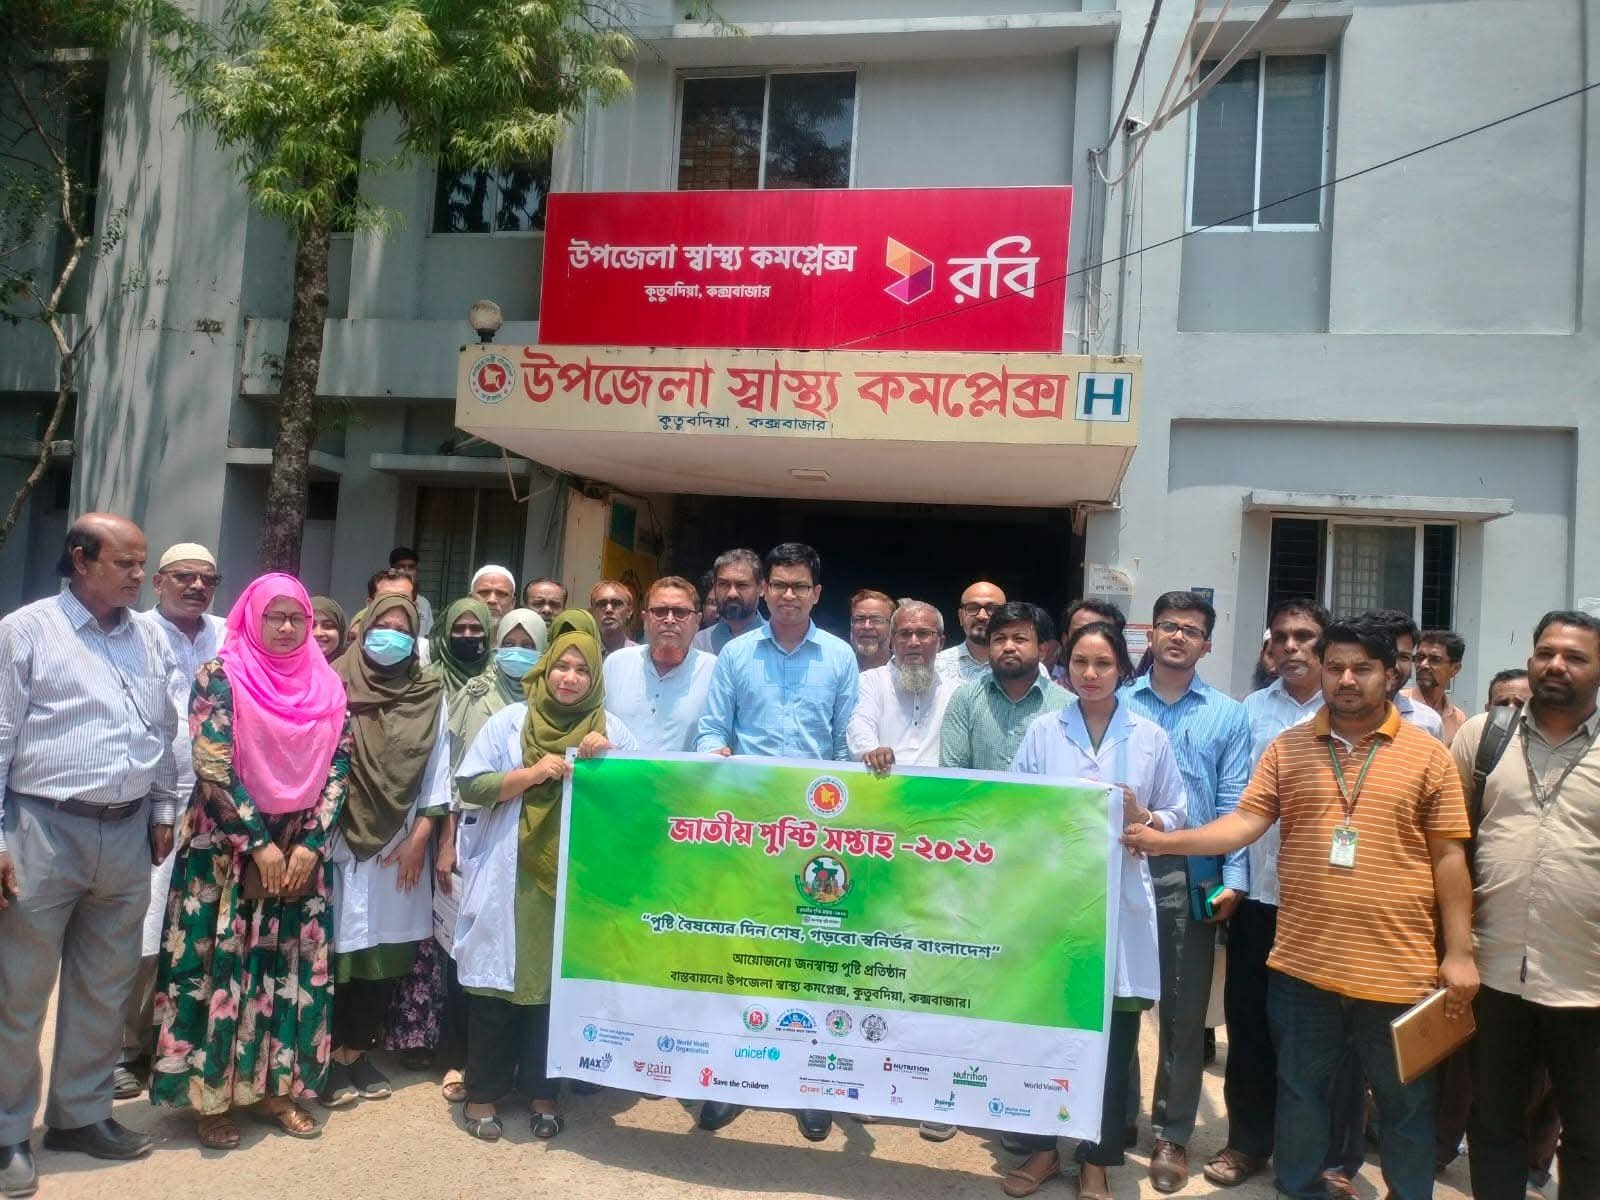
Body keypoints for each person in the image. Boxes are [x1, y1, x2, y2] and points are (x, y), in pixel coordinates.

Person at [1124, 619, 1477, 1200]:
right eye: (1335, 667)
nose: (1346, 680)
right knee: (1301, 1092)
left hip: (1397, 968)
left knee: (1405, 1102)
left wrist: (1459, 953)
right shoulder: (1288, 748)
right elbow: (1245, 822)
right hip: (1303, 963)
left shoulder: (1427, 755)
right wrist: (1164, 842)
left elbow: (1449, 858)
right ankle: (1301, 1188)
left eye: (1362, 669)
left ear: (1391, 676)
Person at [0, 515, 180, 1198]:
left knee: (106, 984)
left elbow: (163, 728)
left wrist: (162, 809)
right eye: (126, 563)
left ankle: (80, 1115)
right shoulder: (26, 632)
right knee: (18, 990)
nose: (139, 575)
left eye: (142, 563)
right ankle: (6, 1133)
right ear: (80, 559)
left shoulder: (147, 637)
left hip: (126, 832)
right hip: (42, 830)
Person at [149, 574, 352, 1148]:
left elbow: (339, 766)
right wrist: (258, 845)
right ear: (251, 617)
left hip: (299, 849)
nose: (286, 627)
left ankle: (276, 1090)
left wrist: (309, 844)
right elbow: (213, 766)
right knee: (220, 969)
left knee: (287, 970)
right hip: (226, 850)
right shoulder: (220, 676)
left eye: (296, 617)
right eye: (274, 616)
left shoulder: (326, 684)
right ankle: (209, 1096)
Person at [1003, 620, 1187, 1199]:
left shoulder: (1149, 736)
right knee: (1047, 1033)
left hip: (1120, 907)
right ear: (1065, 668)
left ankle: (1097, 1162)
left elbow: (1178, 813)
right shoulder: (1044, 731)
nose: (1090, 674)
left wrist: (1144, 816)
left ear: (1122, 669)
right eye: (1080, 662)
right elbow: (1015, 805)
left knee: (1113, 1040)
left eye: (1103, 663)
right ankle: (1041, 1150)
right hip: (1054, 904)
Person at [453, 611, 637, 1141]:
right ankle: (483, 1094)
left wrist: (610, 765)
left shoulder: (612, 729)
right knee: (496, 988)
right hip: (510, 874)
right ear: (545, 668)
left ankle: (542, 1093)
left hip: (574, 881)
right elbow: (471, 785)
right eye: (561, 666)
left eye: (582, 670)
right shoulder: (511, 721)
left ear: (595, 677)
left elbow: (638, 803)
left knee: (554, 993)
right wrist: (531, 774)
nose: (569, 678)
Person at [694, 543, 857, 1142]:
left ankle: (811, 1087)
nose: (789, 595)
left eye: (800, 586)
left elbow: (847, 744)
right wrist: (716, 757)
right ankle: (729, 1079)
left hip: (817, 835)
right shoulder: (736, 654)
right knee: (740, 957)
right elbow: (713, 729)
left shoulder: (839, 657)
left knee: (813, 963)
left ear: (817, 594)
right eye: (780, 585)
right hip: (748, 831)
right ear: (764, 590)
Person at [1454, 611, 1600, 1200]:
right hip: (1492, 972)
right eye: (1546, 653)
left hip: (1587, 980)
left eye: (1575, 657)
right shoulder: (1484, 737)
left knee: (1590, 1134)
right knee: (1492, 1124)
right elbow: (1449, 847)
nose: (1556, 666)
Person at [1120, 592, 1251, 1193]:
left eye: (1190, 630)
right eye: (1168, 626)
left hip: (1189, 871)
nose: (1177, 637)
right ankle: (1116, 1115)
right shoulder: (1117, 701)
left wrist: (1232, 878)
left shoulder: (1228, 715)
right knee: (1118, 998)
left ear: (1207, 644)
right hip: (1120, 866)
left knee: (1183, 1009)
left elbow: (1234, 801)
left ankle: (1171, 1133)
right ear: (1150, 635)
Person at [1204, 597, 1330, 1188]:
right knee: (1250, 1026)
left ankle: (1323, 1156)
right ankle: (1247, 1143)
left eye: (1304, 636)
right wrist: (1233, 878)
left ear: (1326, 644)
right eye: (1281, 637)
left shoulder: (1348, 709)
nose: (1291, 647)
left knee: (1321, 1036)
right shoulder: (1249, 711)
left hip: (1325, 903)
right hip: (1258, 897)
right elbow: (1235, 799)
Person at [325, 594, 453, 1106]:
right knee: (336, 954)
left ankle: (356, 1052)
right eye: (385, 626)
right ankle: (326, 1059)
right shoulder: (333, 681)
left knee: (386, 955)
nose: (392, 636)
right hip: (337, 836)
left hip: (400, 842)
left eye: (404, 629)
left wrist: (420, 839)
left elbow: (438, 768)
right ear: (364, 629)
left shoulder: (428, 693)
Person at [116, 542, 226, 1100]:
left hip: (216, 805)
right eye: (184, 576)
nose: (197, 587)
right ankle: (123, 1049)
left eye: (208, 579)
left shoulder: (227, 635)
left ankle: (176, 1043)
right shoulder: (132, 632)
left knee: (199, 928)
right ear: (158, 581)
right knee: (142, 926)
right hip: (150, 803)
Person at [433, 607, 549, 1104]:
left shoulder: (565, 708)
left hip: (537, 856)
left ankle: (527, 1072)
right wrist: (446, 841)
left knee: (529, 967)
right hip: (478, 839)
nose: (518, 653)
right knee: (473, 955)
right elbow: (456, 773)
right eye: (510, 642)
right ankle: (466, 1063)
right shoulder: (478, 696)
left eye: (530, 645)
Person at [940, 602, 1068, 774]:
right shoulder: (965, 699)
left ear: (1042, 650)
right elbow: (952, 774)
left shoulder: (1066, 706)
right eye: (999, 639)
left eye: (1019, 639)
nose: (1008, 647)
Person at [603, 577, 714, 751]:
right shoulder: (616, 664)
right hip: (619, 769)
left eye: (680, 612)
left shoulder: (713, 671)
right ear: (645, 618)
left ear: (697, 621)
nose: (669, 620)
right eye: (660, 611)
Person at [848, 600, 957, 773]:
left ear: (940, 643)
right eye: (905, 634)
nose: (913, 642)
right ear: (892, 641)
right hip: (883, 780)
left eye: (923, 633)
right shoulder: (869, 681)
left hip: (939, 786)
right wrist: (871, 750)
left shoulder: (954, 691)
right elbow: (860, 724)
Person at [1362, 609, 1446, 740]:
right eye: (1386, 654)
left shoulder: (1428, 723)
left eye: (1404, 657)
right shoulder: (1332, 717)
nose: (1395, 666)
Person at [691, 548, 764, 655]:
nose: (732, 594)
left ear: (761, 588)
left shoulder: (779, 640)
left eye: (742, 585)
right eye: (723, 584)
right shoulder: (699, 643)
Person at [935, 580, 1007, 684]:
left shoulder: (1024, 666)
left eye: (992, 609)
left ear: (1005, 616)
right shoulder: (937, 666)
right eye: (973, 608)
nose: (982, 616)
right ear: (960, 617)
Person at [1407, 630, 1470, 742]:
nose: (1423, 664)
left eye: (1435, 660)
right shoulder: (1397, 704)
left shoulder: (1458, 720)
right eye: (1420, 657)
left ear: (1455, 669)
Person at [1055, 600, 1128, 690]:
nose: (1089, 674)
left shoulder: (1135, 695)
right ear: (1065, 640)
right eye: (1079, 633)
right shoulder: (1049, 696)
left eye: (1103, 663)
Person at [429, 597, 493, 698]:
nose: (467, 634)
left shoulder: (500, 678)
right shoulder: (428, 679)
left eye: (475, 628)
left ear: (487, 633)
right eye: (459, 628)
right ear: (447, 634)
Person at [388, 546, 434, 636]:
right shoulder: (384, 599)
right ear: (392, 570)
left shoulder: (424, 603)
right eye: (401, 566)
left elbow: (428, 635)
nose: (407, 571)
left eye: (411, 567)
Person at [848, 589, 896, 672]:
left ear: (892, 626)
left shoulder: (904, 668)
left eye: (876, 620)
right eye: (860, 619)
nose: (867, 626)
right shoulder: (839, 665)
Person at [588, 579, 638, 656]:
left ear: (629, 611)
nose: (608, 609)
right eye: (602, 604)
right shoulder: (584, 656)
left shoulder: (640, 657)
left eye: (616, 603)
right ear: (592, 612)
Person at [310, 596, 348, 661]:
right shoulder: (291, 665)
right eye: (310, 626)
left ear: (341, 632)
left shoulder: (352, 665)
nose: (318, 633)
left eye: (328, 626)